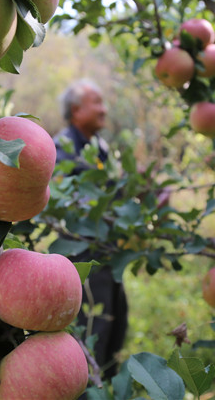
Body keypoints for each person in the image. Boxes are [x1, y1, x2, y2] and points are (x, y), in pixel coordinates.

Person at [53, 79, 128, 381]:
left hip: (108, 255)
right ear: (76, 110)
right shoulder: (61, 148)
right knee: (93, 327)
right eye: (96, 102)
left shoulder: (101, 149)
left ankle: (105, 385)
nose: (104, 109)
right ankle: (88, 388)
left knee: (115, 324)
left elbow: (116, 199)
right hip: (83, 257)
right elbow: (64, 199)